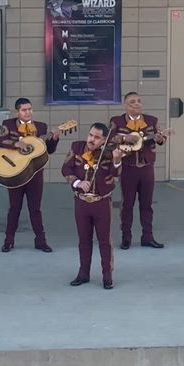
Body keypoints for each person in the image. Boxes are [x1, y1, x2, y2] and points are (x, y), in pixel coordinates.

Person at [61, 123, 124, 289]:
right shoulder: (77, 147)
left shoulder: (110, 153)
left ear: (104, 140)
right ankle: (83, 274)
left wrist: (117, 161)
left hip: (101, 202)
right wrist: (77, 182)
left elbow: (115, 173)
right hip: (81, 202)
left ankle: (107, 276)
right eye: (91, 135)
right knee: (84, 240)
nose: (91, 139)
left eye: (97, 137)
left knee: (104, 241)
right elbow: (66, 168)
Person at [0, 97, 60, 253]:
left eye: (30, 109)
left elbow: (49, 150)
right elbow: (0, 140)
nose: (28, 112)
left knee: (35, 209)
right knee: (14, 208)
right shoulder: (8, 125)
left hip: (35, 173)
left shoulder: (41, 127)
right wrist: (16, 143)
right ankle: (8, 241)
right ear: (17, 111)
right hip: (15, 172)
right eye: (24, 110)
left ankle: (41, 241)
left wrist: (54, 139)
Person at [109, 92, 169, 250]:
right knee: (127, 204)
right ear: (125, 106)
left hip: (147, 168)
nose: (136, 104)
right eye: (132, 102)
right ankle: (126, 237)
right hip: (128, 168)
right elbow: (110, 139)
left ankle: (147, 237)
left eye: (139, 101)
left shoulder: (151, 120)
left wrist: (161, 137)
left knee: (147, 204)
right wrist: (124, 138)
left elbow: (161, 140)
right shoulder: (117, 121)